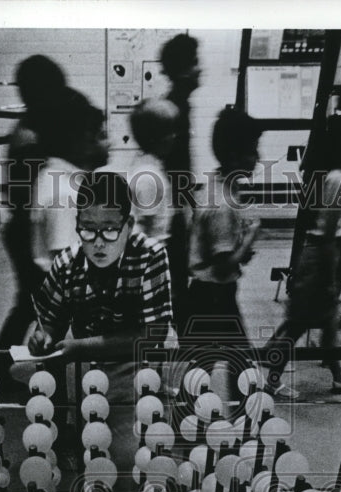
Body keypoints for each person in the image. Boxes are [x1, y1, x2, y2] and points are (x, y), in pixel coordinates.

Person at [27, 172, 174, 492]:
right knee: (95, 465)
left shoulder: (150, 257)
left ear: (129, 224)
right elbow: (49, 322)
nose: (98, 241)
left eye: (109, 230)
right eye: (87, 229)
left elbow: (153, 335)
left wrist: (79, 347)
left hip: (136, 375)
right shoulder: (66, 264)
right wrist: (42, 337)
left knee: (132, 467)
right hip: (88, 377)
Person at [262, 113, 341, 396]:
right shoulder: (337, 180)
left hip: (320, 255)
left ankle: (339, 377)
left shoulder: (338, 176)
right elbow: (330, 232)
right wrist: (329, 276)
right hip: (320, 257)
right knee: (300, 323)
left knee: (326, 321)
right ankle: (272, 380)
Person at [186, 107, 263, 406]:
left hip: (209, 292)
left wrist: (240, 249)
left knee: (206, 363)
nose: (257, 157)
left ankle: (192, 416)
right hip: (214, 294)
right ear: (233, 157)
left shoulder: (218, 187)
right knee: (238, 360)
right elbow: (223, 266)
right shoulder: (222, 203)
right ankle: (243, 417)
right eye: (252, 151)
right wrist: (252, 235)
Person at [0, 55, 67, 350]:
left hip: (25, 229)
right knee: (37, 305)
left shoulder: (30, 131)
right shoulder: (29, 139)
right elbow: (28, 198)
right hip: (27, 232)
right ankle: (6, 365)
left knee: (30, 304)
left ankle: (1, 364)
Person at [30, 88, 109, 276]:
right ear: (79, 141)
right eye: (101, 135)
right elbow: (71, 269)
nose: (109, 143)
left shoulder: (51, 177)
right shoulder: (66, 194)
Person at [159, 33, 201, 332]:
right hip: (172, 209)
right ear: (184, 69)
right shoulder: (174, 109)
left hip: (176, 206)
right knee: (176, 283)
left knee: (178, 280)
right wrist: (185, 209)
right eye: (195, 63)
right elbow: (173, 167)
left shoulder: (179, 105)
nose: (201, 69)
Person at [125, 98, 179, 245]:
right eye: (168, 131)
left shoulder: (145, 167)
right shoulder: (149, 176)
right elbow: (144, 227)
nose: (174, 136)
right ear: (155, 137)